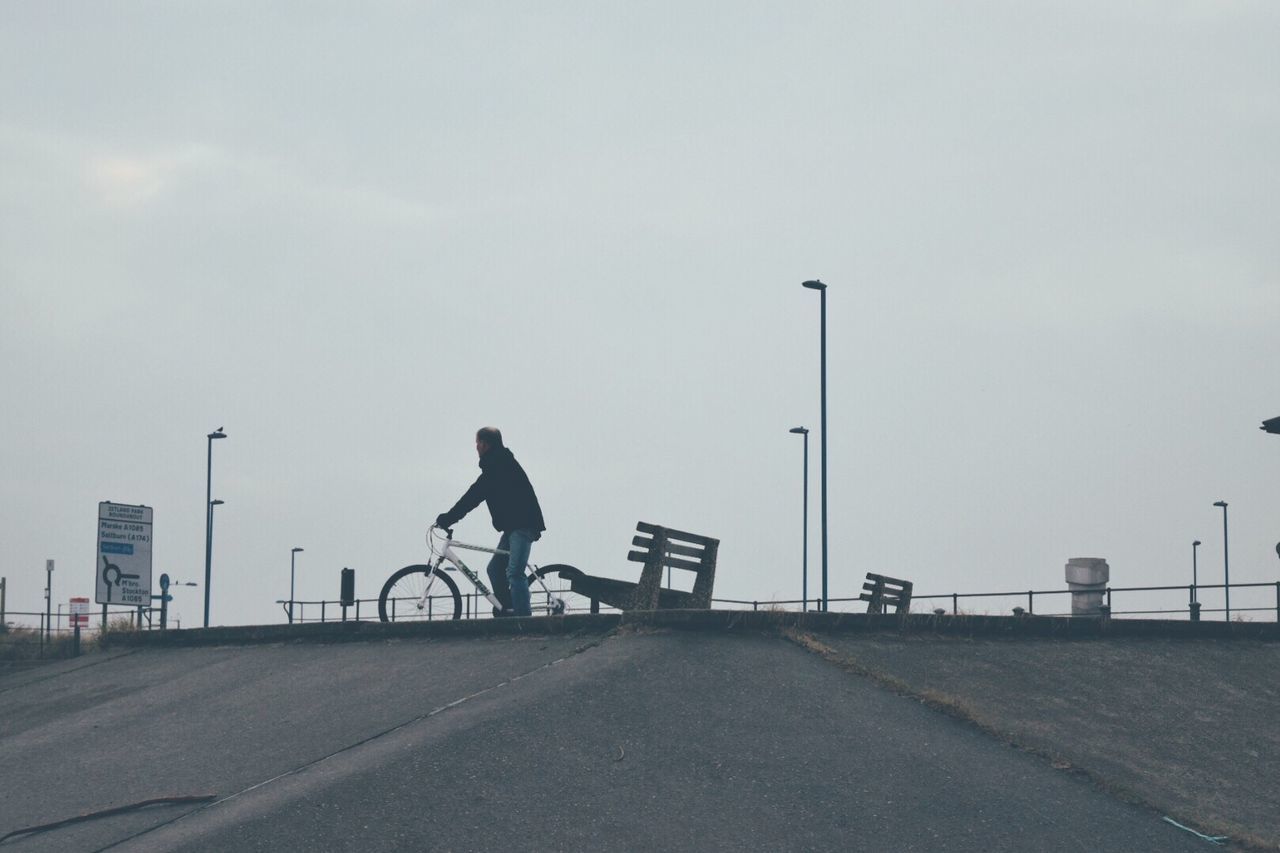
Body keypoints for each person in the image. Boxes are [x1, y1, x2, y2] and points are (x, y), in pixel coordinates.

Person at [435, 427, 545, 617]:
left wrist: (449, 517)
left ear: (485, 444)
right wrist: (451, 517)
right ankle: (508, 609)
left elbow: (473, 496)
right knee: (494, 569)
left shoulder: (498, 465)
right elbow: (475, 494)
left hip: (524, 524)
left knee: (515, 573)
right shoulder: (497, 463)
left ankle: (524, 620)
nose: (476, 447)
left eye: (477, 443)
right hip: (513, 526)